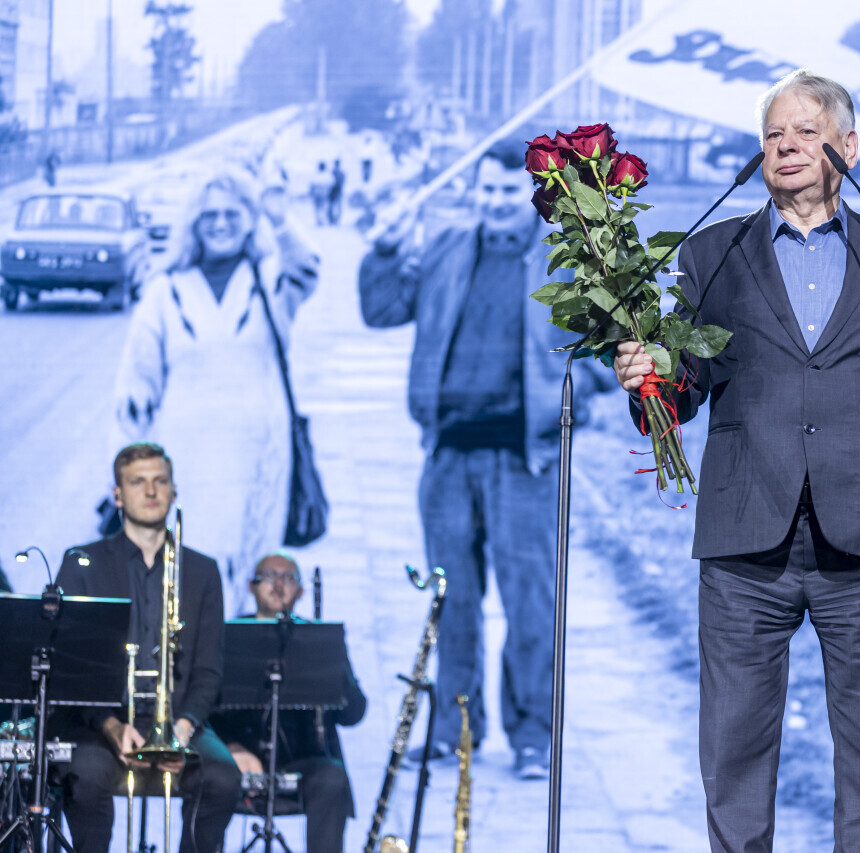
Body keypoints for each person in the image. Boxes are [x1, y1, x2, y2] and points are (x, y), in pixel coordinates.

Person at [612, 69, 860, 852]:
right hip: (743, 543)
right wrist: (648, 383)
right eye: (772, 134)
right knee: (733, 758)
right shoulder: (709, 254)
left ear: (847, 147)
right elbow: (683, 386)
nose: (785, 146)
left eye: (804, 130)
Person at [357, 141, 614, 779]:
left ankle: (533, 738)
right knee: (454, 601)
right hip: (447, 457)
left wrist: (578, 387)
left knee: (531, 603)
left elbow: (617, 349)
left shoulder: (567, 256)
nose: (499, 202)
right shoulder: (446, 248)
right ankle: (453, 732)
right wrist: (384, 250)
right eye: (488, 190)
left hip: (524, 462)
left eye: (510, 191)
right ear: (474, 192)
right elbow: (382, 308)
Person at [113, 169, 320, 617]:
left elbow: (307, 269)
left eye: (232, 213)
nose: (220, 223)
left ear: (249, 219)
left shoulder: (269, 280)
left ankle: (245, 671)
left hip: (259, 451)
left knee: (253, 569)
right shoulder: (166, 290)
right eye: (209, 215)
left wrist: (282, 220)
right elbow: (137, 381)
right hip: (186, 453)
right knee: (188, 570)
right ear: (193, 222)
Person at [54, 442, 240, 853]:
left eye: (160, 481)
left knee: (223, 779)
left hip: (180, 720)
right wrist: (110, 726)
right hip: (102, 722)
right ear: (118, 495)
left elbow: (209, 668)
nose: (151, 491)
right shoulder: (83, 561)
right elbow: (71, 666)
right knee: (83, 776)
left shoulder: (204, 570)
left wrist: (182, 731)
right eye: (137, 482)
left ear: (173, 491)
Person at [209, 552, 366, 853]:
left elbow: (354, 713)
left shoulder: (318, 639)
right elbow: (206, 707)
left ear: (302, 591)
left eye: (288, 578)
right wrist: (232, 748)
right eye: (269, 576)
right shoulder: (225, 637)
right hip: (236, 758)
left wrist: (334, 664)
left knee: (332, 779)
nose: (278, 584)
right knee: (209, 777)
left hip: (302, 761)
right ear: (251, 586)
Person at [309, 161, 331, 227]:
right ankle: (322, 221)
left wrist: (311, 193)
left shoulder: (315, 175)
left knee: (317, 208)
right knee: (324, 208)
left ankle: (319, 221)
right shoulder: (328, 176)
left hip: (317, 193)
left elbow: (311, 186)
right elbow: (332, 184)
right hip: (324, 194)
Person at [328, 158, 345, 225]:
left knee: (332, 207)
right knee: (337, 207)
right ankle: (336, 220)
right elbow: (343, 183)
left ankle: (332, 220)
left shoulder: (331, 172)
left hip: (332, 192)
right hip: (338, 191)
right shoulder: (342, 173)